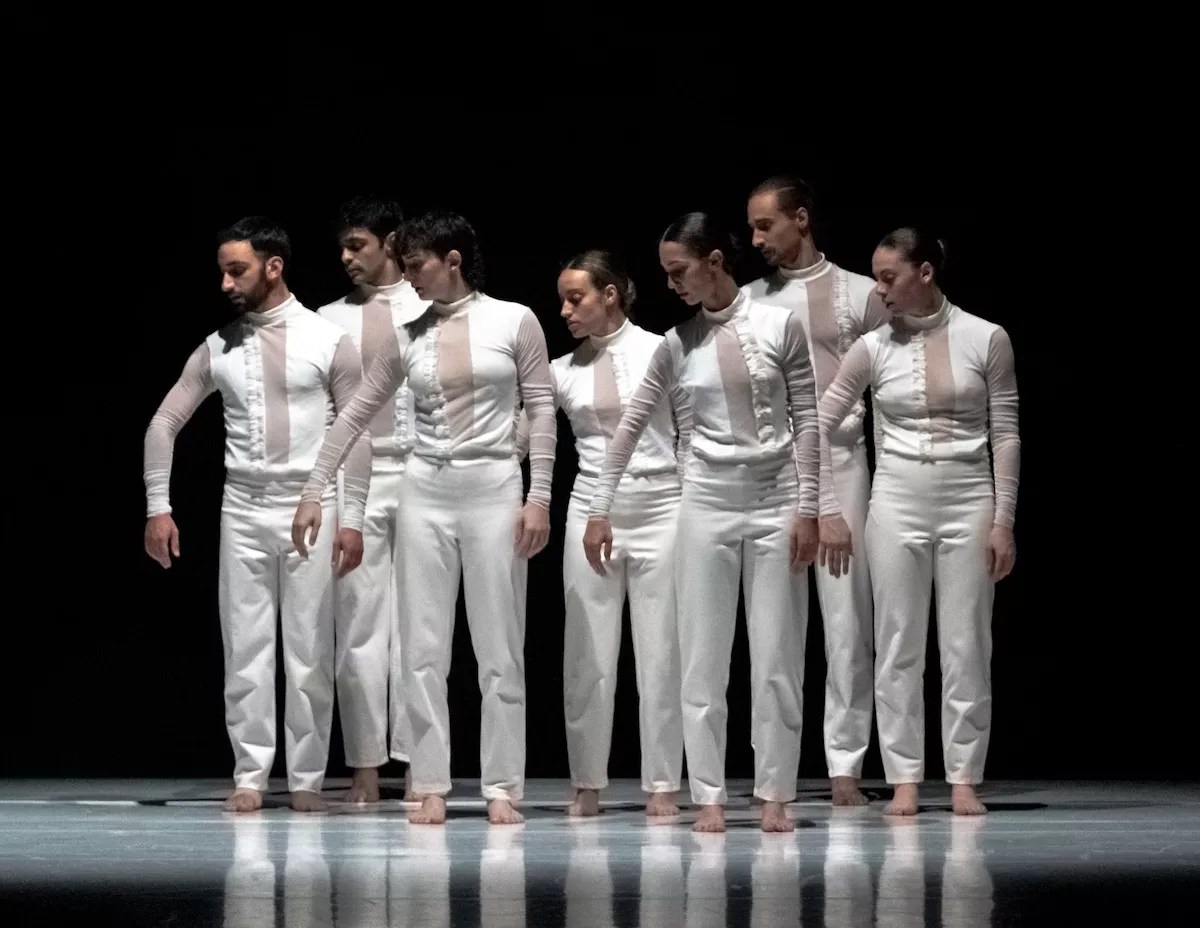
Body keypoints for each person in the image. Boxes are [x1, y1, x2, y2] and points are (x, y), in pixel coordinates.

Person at [291, 209, 556, 825]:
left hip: (494, 486)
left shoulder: (515, 320)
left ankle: (500, 786)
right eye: (404, 265)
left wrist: (539, 496)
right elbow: (353, 415)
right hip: (424, 492)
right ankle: (430, 781)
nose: (407, 276)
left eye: (416, 265)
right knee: (423, 646)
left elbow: (541, 411)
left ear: (452, 260)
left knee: (499, 648)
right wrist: (313, 489)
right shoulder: (406, 335)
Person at [583, 212, 821, 833]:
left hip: (776, 500)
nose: (673, 285)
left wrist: (809, 508)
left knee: (775, 654)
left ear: (715, 261)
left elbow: (808, 420)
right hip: (706, 504)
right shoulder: (675, 343)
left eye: (680, 271)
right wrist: (599, 507)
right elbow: (632, 426)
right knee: (703, 659)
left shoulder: (779, 325)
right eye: (666, 274)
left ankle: (775, 793)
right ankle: (708, 792)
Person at [143, 216, 372, 813]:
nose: (224, 282)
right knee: (245, 649)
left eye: (236, 269)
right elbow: (164, 423)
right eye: (221, 270)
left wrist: (353, 518)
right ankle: (250, 774)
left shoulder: (326, 340)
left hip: (310, 509)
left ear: (274, 266)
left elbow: (359, 434)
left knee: (308, 651)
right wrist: (157, 506)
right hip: (242, 507)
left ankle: (305, 779)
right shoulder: (218, 345)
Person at [817, 227, 1019, 817]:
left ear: (924, 273)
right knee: (898, 643)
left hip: (968, 498)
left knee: (965, 643)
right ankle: (904, 775)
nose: (878, 290)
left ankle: (963, 776)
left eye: (888, 277)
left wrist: (1003, 519)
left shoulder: (987, 338)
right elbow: (821, 425)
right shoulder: (873, 347)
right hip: (897, 501)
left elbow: (1005, 434)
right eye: (875, 278)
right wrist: (825, 502)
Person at [742, 174, 888, 807]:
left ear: (801, 219)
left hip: (844, 463)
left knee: (845, 617)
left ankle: (844, 766)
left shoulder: (860, 294)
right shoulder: (748, 301)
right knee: (772, 626)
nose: (755, 239)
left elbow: (895, 390)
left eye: (765, 225)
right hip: (772, 473)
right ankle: (773, 767)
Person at [552, 249, 690, 818]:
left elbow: (692, 426)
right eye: (561, 298)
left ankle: (662, 783)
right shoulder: (561, 370)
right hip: (590, 511)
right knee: (587, 654)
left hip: (663, 507)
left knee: (662, 653)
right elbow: (527, 433)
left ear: (610, 294)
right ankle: (588, 780)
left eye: (575, 297)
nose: (563, 310)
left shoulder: (663, 349)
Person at [315, 196, 429, 804]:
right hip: (351, 482)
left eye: (357, 245)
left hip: (420, 475)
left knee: (418, 627)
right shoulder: (326, 318)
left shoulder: (430, 306)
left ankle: (418, 763)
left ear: (391, 241)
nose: (345, 257)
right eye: (343, 246)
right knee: (357, 626)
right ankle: (362, 765)